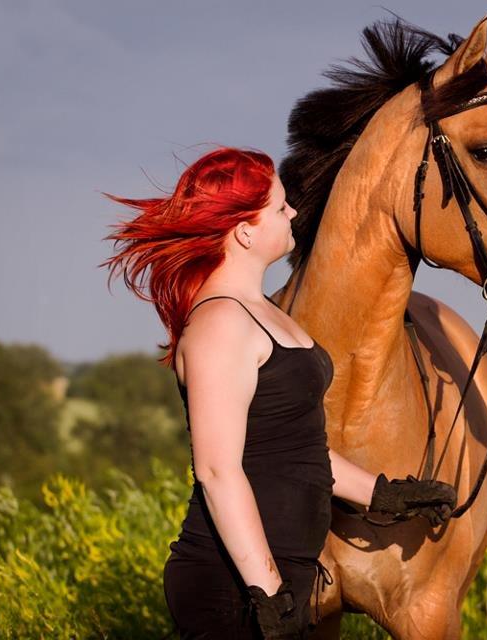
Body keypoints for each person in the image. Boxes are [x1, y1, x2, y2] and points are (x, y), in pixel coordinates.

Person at [103, 147, 457, 639]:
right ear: (245, 231)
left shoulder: (264, 312)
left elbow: (296, 450)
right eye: (279, 207)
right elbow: (217, 470)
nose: (292, 213)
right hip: (233, 585)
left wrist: (384, 494)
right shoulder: (221, 324)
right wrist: (267, 591)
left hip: (281, 576)